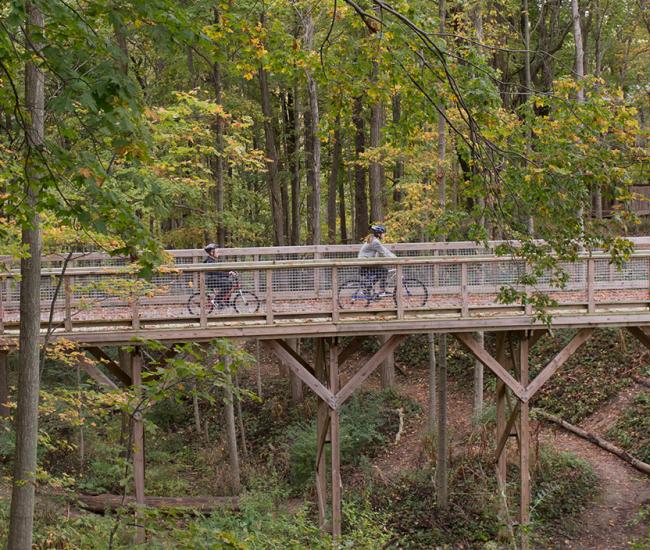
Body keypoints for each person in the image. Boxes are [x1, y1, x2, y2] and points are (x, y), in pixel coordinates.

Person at [357, 224, 396, 295]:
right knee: (384, 270)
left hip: (366, 261)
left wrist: (394, 257)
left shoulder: (373, 239)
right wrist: (395, 259)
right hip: (365, 262)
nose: (384, 235)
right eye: (383, 233)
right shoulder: (375, 242)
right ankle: (381, 290)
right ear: (378, 234)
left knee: (381, 271)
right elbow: (384, 253)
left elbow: (384, 250)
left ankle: (367, 287)